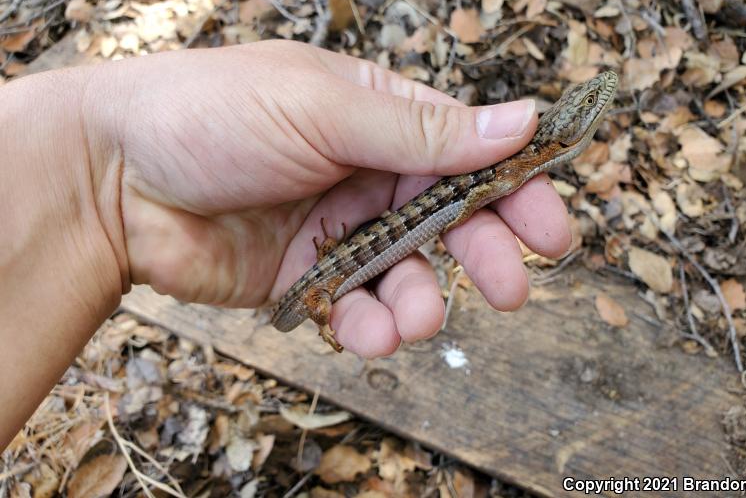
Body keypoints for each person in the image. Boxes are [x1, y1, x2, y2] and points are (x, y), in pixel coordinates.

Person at [0, 40, 571, 449]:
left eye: (299, 310)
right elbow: (312, 299)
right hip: (346, 258)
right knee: (343, 300)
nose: (294, 312)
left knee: (362, 293)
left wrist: (97, 178)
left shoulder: (318, 276)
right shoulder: (316, 291)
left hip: (351, 250)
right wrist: (322, 319)